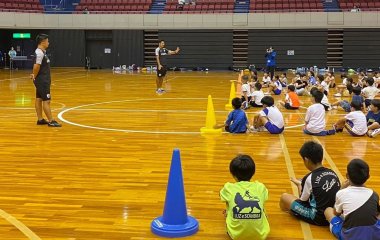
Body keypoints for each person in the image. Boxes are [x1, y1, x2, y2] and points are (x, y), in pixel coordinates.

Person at [279, 141, 340, 226]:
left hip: (318, 218)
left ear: (306, 160)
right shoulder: (332, 173)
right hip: (332, 214)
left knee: (284, 197)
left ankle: (290, 217)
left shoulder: (309, 178)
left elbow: (303, 201)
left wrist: (299, 185)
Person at [324, 159, 380, 240]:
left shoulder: (342, 193)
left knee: (328, 211)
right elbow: (376, 214)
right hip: (374, 236)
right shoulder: (374, 194)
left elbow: (336, 213)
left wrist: (341, 189)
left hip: (349, 236)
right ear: (368, 176)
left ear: (347, 176)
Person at [220, 154, 270, 240]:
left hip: (235, 236)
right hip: (261, 235)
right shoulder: (260, 187)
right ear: (253, 172)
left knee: (228, 202)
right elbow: (264, 199)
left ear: (233, 174)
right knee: (263, 208)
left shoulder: (228, 188)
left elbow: (222, 197)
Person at [30, 34, 61, 127]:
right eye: (47, 41)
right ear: (43, 42)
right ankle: (51, 121)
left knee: (39, 99)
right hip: (42, 81)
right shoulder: (39, 53)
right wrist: (34, 75)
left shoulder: (42, 52)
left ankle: (40, 119)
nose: (48, 43)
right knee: (47, 100)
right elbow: (36, 65)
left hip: (42, 80)